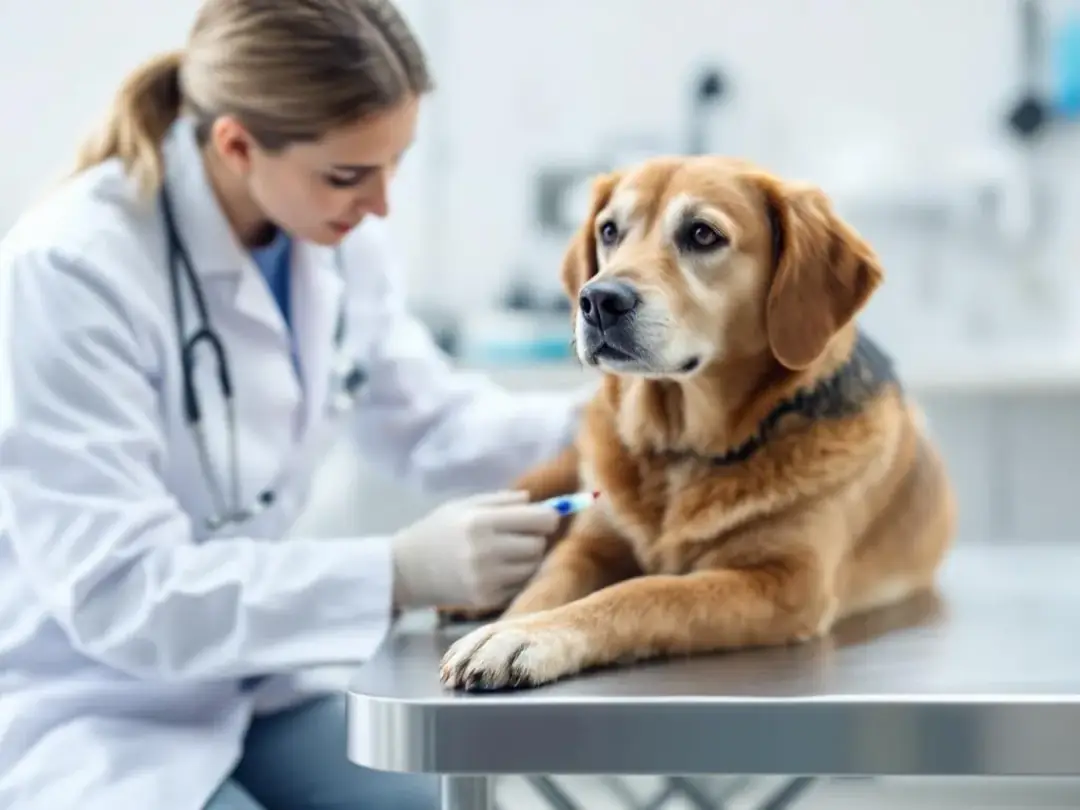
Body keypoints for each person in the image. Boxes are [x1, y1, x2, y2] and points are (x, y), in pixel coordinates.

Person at [0, 1, 588, 808]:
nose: (380, 204)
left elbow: (429, 418)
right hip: (93, 703)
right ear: (237, 145)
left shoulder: (332, 234)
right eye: (348, 176)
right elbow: (121, 593)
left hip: (253, 679)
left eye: (395, 164)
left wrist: (607, 420)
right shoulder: (72, 269)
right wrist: (396, 572)